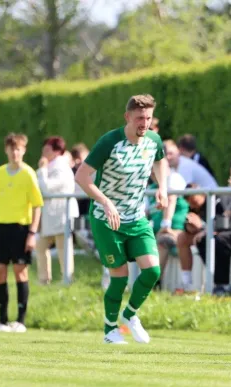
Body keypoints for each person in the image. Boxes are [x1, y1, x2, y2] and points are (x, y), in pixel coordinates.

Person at [75, 94, 168, 345]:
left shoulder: (154, 140)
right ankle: (109, 330)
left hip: (137, 218)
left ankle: (130, 315)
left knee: (152, 270)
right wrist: (105, 203)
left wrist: (162, 188)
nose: (144, 123)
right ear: (127, 117)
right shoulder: (109, 142)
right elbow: (82, 177)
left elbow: (161, 161)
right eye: (139, 118)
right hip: (107, 220)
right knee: (120, 276)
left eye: (148, 118)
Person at [0, 133, 44, 333]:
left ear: (24, 150)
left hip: (21, 229)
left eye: (18, 149)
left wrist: (32, 233)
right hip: (1, 228)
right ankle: (2, 320)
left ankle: (20, 320)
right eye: (12, 149)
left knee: (21, 271)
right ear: (6, 150)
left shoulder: (28, 173)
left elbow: (37, 205)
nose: (15, 152)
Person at [36, 136, 79, 285]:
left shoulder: (61, 166)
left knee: (63, 248)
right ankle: (44, 279)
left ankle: (67, 279)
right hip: (51, 215)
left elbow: (46, 187)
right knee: (40, 246)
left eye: (47, 149)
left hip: (62, 213)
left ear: (56, 151)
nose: (43, 151)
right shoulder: (51, 165)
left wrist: (41, 169)